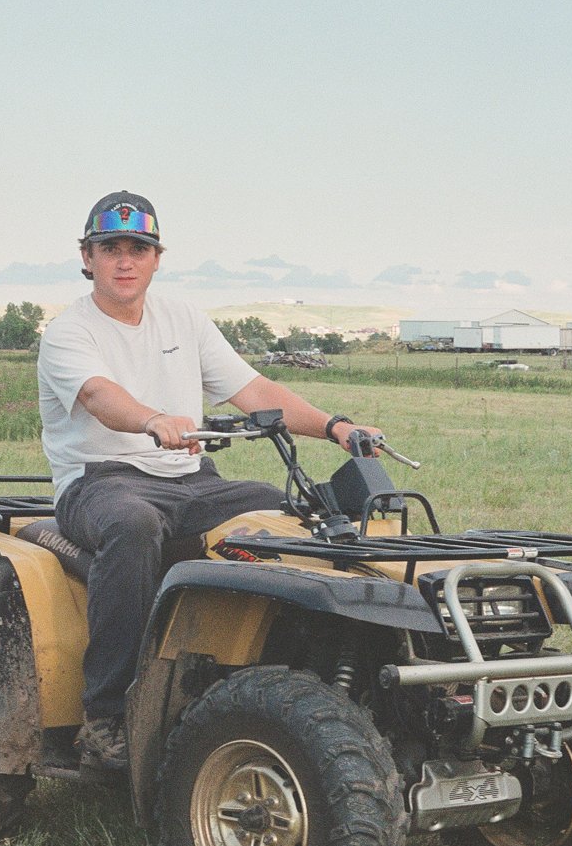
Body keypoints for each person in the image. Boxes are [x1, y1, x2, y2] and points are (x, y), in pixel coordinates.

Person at [37, 191, 384, 771]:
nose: (125, 261)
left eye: (138, 249)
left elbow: (256, 393)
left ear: (156, 258)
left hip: (191, 479)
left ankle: (267, 679)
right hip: (99, 482)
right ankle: (105, 718)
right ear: (87, 256)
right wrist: (152, 420)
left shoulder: (183, 319)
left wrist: (336, 427)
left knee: (279, 512)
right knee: (132, 525)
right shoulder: (68, 332)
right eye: (111, 248)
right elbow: (100, 396)